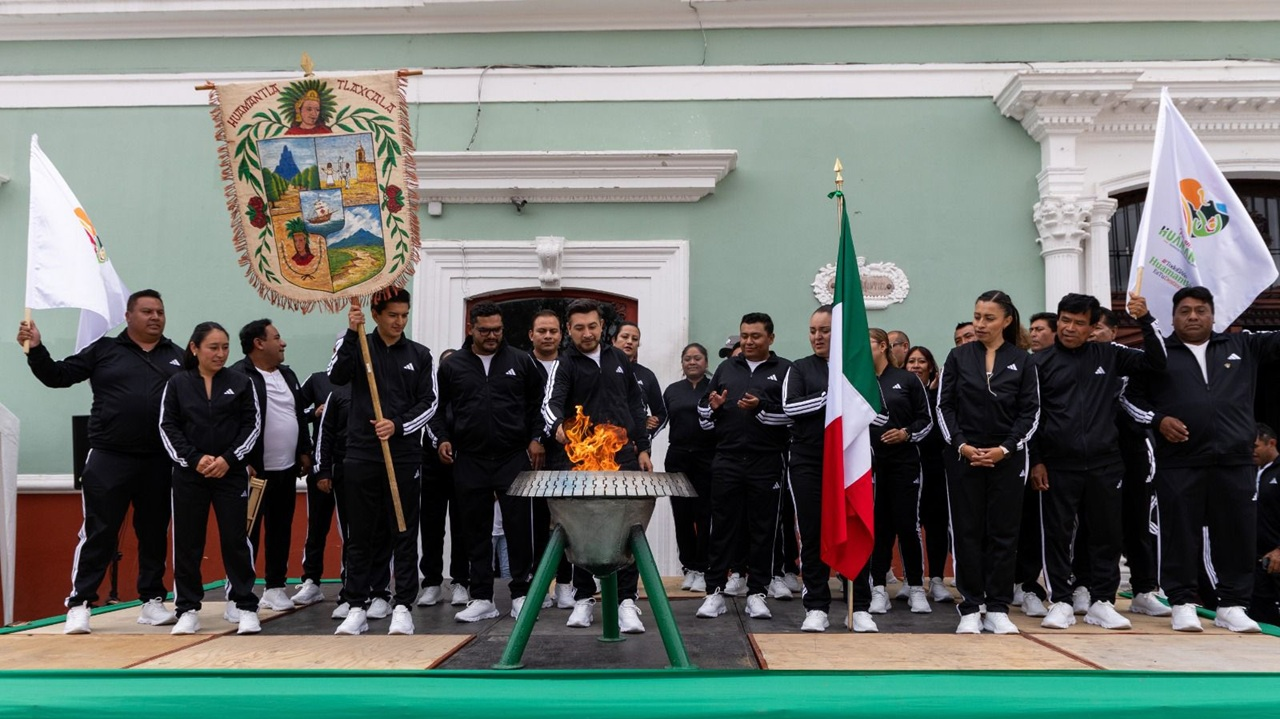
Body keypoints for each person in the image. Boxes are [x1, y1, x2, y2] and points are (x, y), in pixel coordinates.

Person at [17, 289, 183, 633]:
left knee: (154, 531)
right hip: (110, 457)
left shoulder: (179, 357)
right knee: (99, 531)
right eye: (147, 311)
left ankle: (151, 601)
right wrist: (36, 348)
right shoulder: (104, 350)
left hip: (158, 459)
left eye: (160, 312)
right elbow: (58, 376)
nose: (155, 317)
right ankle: (80, 603)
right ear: (128, 316)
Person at [1125, 286, 1280, 633]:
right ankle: (1181, 602)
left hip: (1236, 459)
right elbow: (1129, 399)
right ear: (1173, 316)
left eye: (1200, 310)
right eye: (1184, 311)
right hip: (1180, 461)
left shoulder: (1242, 345)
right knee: (1180, 531)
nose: (1193, 316)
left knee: (1237, 534)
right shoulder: (1159, 353)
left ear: (1213, 315)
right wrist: (1158, 420)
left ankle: (1232, 605)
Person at [1030, 292, 1166, 632]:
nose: (1069, 328)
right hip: (1058, 464)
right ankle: (1060, 599)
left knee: (1107, 534)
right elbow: (1029, 415)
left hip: (1106, 462)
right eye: (1064, 320)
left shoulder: (1110, 354)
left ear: (1092, 327)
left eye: (1078, 323)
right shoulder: (1038, 363)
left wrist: (1145, 319)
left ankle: (1102, 602)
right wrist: (1037, 460)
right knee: (1058, 534)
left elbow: (1157, 362)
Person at [328, 288, 437, 636]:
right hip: (361, 453)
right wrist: (350, 331)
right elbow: (336, 375)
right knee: (360, 535)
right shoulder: (358, 344)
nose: (399, 322)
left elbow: (430, 403)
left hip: (403, 456)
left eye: (404, 315)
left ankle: (403, 605)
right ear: (376, 314)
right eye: (393, 315)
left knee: (403, 530)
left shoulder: (420, 355)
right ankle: (356, 605)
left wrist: (399, 425)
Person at [543, 299, 654, 632]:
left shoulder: (619, 358)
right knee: (581, 529)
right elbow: (550, 406)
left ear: (602, 326)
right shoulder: (564, 364)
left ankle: (627, 603)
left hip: (623, 458)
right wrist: (558, 428)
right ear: (569, 330)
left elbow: (637, 405)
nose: (586, 333)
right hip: (581, 458)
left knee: (629, 528)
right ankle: (582, 599)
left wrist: (644, 448)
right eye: (579, 328)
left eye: (592, 326)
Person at [431, 303, 546, 623]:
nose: (492, 335)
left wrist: (536, 437)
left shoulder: (522, 361)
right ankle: (482, 597)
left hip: (513, 457)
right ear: (471, 328)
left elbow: (539, 405)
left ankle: (522, 594)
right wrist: (442, 438)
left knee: (519, 528)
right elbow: (437, 409)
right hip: (470, 459)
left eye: (497, 330)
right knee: (474, 531)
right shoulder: (453, 366)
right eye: (485, 330)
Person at [936, 290, 1039, 634]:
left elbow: (1031, 412)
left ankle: (997, 607)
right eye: (977, 316)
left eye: (988, 318)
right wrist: (962, 445)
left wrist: (1005, 449)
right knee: (967, 531)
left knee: (1003, 534)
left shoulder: (1023, 361)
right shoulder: (957, 356)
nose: (980, 324)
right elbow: (944, 407)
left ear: (1007, 321)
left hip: (1006, 461)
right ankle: (970, 606)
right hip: (964, 459)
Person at [158, 322, 262, 635]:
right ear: (195, 348)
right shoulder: (177, 383)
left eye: (225, 347)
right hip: (190, 476)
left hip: (230, 475)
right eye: (213, 347)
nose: (220, 354)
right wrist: (195, 459)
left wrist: (228, 459)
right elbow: (168, 427)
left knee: (235, 540)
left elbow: (252, 426)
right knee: (188, 542)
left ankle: (245, 606)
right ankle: (187, 609)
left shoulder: (240, 381)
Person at [696, 312, 794, 622]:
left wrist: (761, 408)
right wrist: (712, 408)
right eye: (745, 336)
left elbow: (791, 417)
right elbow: (704, 415)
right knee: (722, 527)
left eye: (755, 336)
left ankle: (757, 593)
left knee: (763, 530)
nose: (749, 341)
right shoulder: (726, 368)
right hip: (727, 459)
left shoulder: (786, 370)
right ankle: (714, 592)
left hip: (767, 461)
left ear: (771, 339)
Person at [782, 306, 863, 632]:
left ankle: (859, 605)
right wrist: (832, 396)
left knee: (852, 531)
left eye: (825, 330)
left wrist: (852, 396)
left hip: (850, 464)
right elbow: (791, 407)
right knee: (814, 535)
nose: (818, 336)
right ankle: (816, 605)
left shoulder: (857, 370)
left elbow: (880, 414)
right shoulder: (800, 368)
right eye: (813, 330)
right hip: (809, 462)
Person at [231, 319, 312, 616]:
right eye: (277, 337)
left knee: (281, 528)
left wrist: (305, 450)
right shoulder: (238, 376)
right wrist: (242, 461)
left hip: (286, 469)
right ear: (258, 343)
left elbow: (299, 415)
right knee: (246, 533)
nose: (283, 343)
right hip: (254, 472)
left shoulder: (288, 375)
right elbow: (233, 423)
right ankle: (240, 592)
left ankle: (275, 587)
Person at [867, 328, 934, 616]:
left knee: (907, 525)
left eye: (866, 344)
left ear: (883, 346)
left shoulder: (906, 380)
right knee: (879, 527)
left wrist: (906, 434)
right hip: (870, 466)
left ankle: (916, 587)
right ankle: (879, 588)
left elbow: (926, 420)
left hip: (904, 463)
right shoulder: (859, 382)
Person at [527, 309, 574, 609]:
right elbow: (520, 408)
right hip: (529, 457)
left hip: (565, 455)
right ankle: (539, 584)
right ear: (531, 334)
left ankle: (566, 584)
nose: (547, 336)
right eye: (541, 331)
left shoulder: (571, 365)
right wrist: (534, 439)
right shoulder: (521, 364)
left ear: (561, 334)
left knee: (567, 523)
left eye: (553, 331)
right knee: (535, 523)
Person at [418, 348, 472, 608]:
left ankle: (461, 581)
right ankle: (431, 583)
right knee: (431, 527)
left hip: (464, 468)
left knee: (462, 527)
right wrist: (441, 441)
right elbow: (428, 421)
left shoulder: (469, 393)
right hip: (432, 467)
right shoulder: (431, 395)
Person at [664, 343, 716, 594]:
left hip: (707, 459)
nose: (692, 362)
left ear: (705, 362)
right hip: (678, 459)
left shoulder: (715, 388)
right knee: (682, 515)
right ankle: (689, 568)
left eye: (697, 358)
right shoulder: (673, 390)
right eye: (687, 359)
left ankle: (704, 568)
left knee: (705, 514)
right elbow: (659, 420)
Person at [905, 345, 953, 603]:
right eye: (911, 361)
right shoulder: (901, 394)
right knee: (907, 524)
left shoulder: (940, 397)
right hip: (908, 467)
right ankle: (911, 582)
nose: (915, 365)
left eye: (921, 361)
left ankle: (936, 579)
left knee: (936, 524)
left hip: (936, 467)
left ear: (931, 367)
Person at [612, 322, 668, 439]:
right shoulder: (601, 370)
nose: (629, 342)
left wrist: (647, 432)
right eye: (625, 337)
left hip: (637, 448)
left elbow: (661, 414)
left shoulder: (647, 375)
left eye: (635, 339)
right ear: (613, 340)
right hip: (605, 443)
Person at [1251, 423, 1280, 626]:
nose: (1251, 452)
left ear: (1271, 443)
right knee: (1260, 619)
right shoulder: (1247, 472)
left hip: (1277, 557)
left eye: (1255, 446)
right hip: (1255, 562)